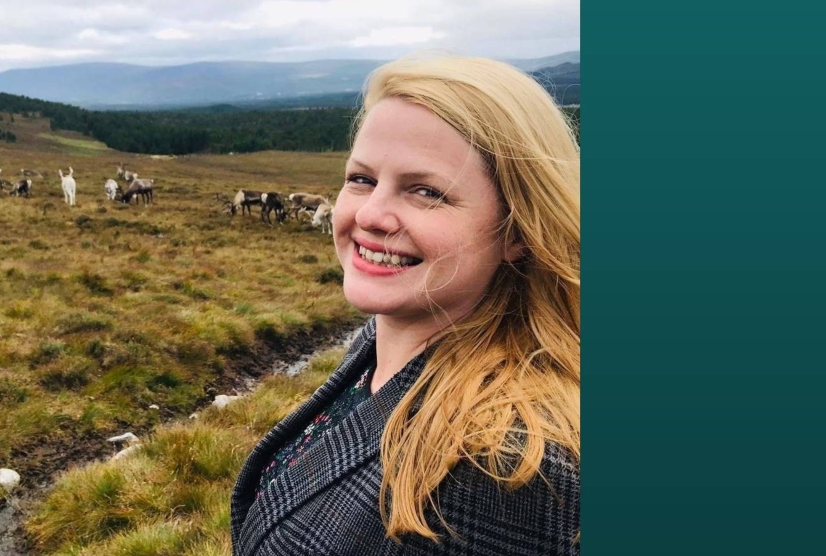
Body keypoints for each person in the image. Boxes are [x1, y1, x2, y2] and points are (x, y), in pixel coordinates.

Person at [231, 56, 580, 555]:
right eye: (361, 179)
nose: (370, 214)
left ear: (518, 233)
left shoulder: (506, 469)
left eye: (426, 191)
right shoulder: (376, 348)